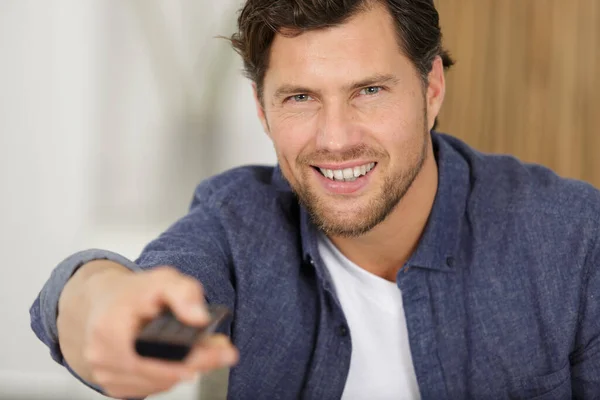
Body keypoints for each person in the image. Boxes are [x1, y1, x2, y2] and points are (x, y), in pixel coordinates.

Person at [29, 0, 600, 399]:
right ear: (262, 109)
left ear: (431, 89)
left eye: (369, 91)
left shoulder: (573, 238)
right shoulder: (237, 222)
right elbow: (121, 298)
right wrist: (100, 303)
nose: (334, 138)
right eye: (300, 97)